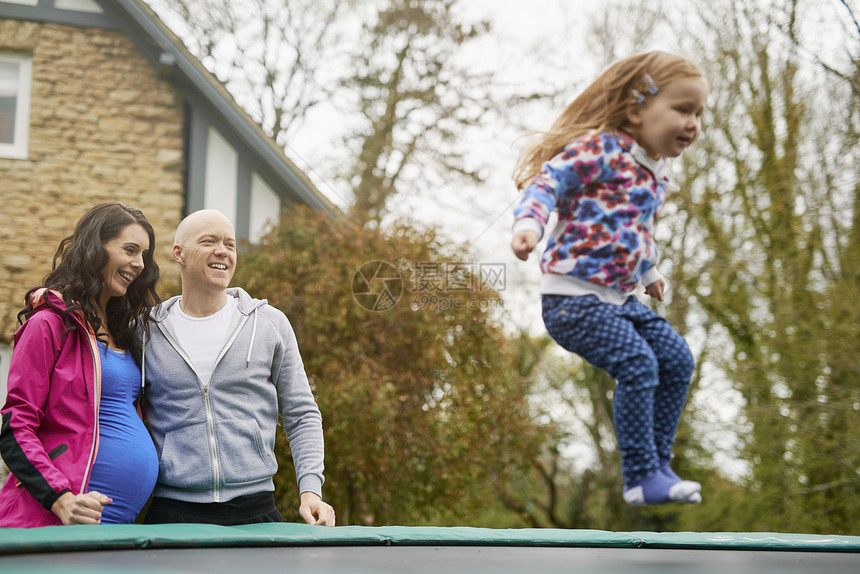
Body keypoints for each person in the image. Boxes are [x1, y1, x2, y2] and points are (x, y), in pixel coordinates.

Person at [511, 51, 708, 506]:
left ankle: (658, 465)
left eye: (699, 113)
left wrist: (650, 271)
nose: (693, 123)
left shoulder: (659, 172)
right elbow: (546, 183)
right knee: (638, 363)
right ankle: (640, 477)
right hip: (572, 300)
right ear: (637, 110)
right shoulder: (601, 149)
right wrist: (529, 226)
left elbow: (633, 230)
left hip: (618, 298)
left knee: (677, 359)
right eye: (683, 109)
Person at [141, 209, 335, 526]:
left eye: (230, 244)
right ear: (179, 253)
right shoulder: (146, 331)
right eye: (209, 241)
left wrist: (311, 490)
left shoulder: (269, 323)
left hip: (256, 510)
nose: (223, 251)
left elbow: (301, 413)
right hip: (173, 512)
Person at [0, 202, 161, 527]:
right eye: (130, 249)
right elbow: (16, 426)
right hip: (57, 519)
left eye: (143, 254)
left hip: (115, 524)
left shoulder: (123, 333)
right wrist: (60, 499)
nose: (139, 264)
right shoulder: (49, 324)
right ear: (95, 248)